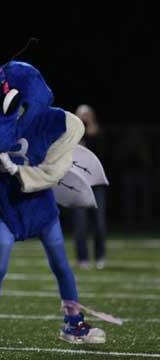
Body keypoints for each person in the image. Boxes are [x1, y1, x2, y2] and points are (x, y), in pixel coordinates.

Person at [0, 61, 111, 344]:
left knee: (61, 265)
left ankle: (73, 322)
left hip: (40, 206)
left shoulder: (47, 123)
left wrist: (18, 171)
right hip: (7, 207)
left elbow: (53, 169)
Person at [72, 104, 107, 269]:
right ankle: (82, 258)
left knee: (99, 223)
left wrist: (91, 130)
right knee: (80, 224)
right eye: (81, 115)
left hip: (96, 185)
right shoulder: (71, 134)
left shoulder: (99, 134)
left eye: (87, 115)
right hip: (79, 185)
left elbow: (103, 156)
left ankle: (100, 256)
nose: (85, 118)